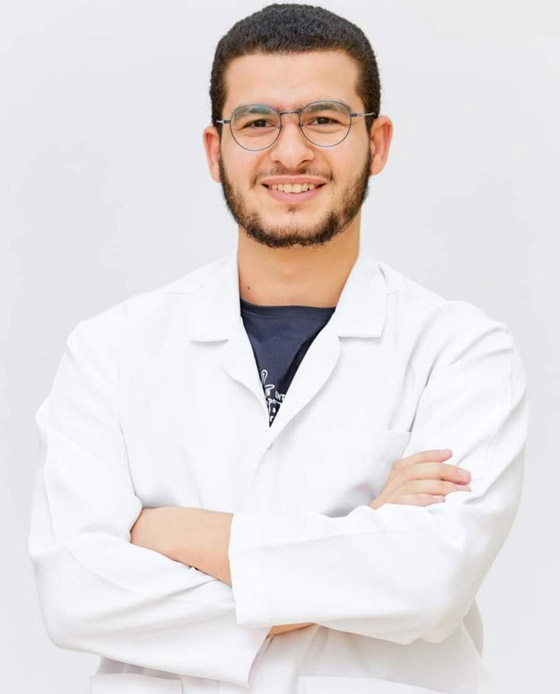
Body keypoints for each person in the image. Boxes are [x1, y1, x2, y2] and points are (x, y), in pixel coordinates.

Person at [27, 4, 528, 693]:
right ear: (216, 151)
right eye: (258, 122)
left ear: (377, 143)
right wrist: (365, 536)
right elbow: (77, 595)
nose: (291, 153)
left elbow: (430, 581)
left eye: (324, 120)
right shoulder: (110, 351)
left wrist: (171, 534)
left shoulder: (463, 351)